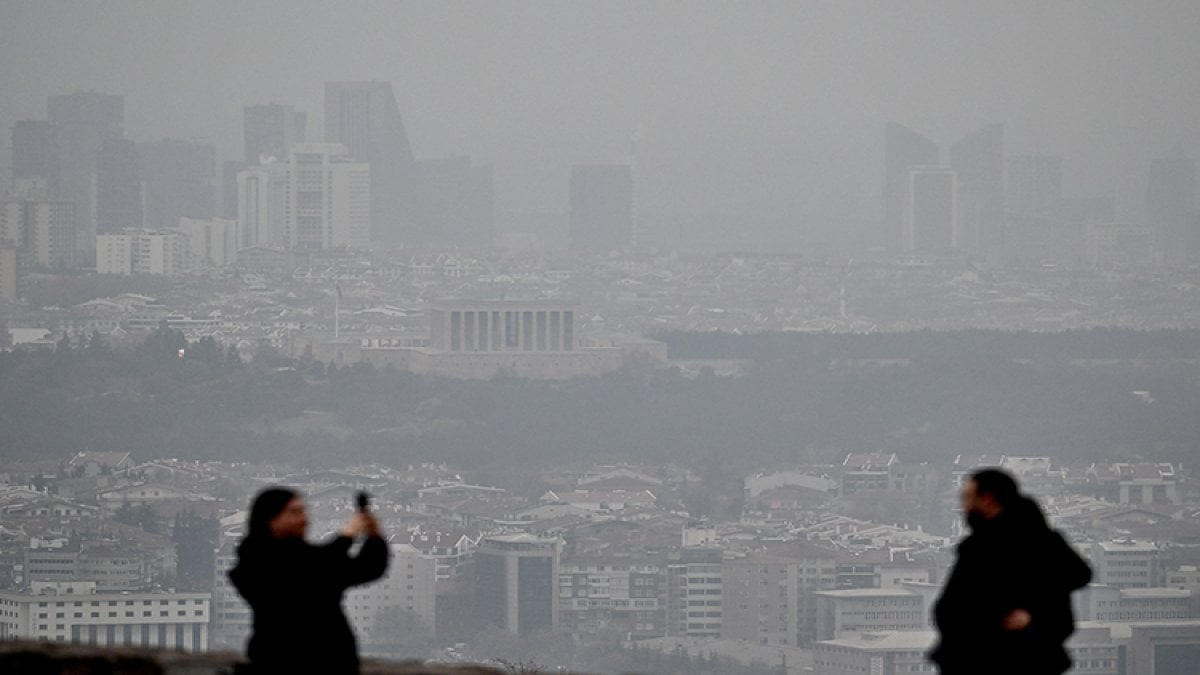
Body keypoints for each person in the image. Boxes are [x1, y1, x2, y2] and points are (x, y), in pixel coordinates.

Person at [930, 468, 1092, 675]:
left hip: (1001, 659)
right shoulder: (1036, 539)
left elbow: (1077, 575)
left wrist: (1031, 612)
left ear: (988, 499)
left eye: (968, 498)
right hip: (1002, 658)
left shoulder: (991, 545)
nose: (964, 507)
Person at [229, 487, 389, 674]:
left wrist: (374, 536)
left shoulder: (306, 557)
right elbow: (306, 573)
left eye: (303, 511)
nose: (304, 519)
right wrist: (347, 537)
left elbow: (365, 569)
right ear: (271, 519)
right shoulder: (258, 561)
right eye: (295, 513)